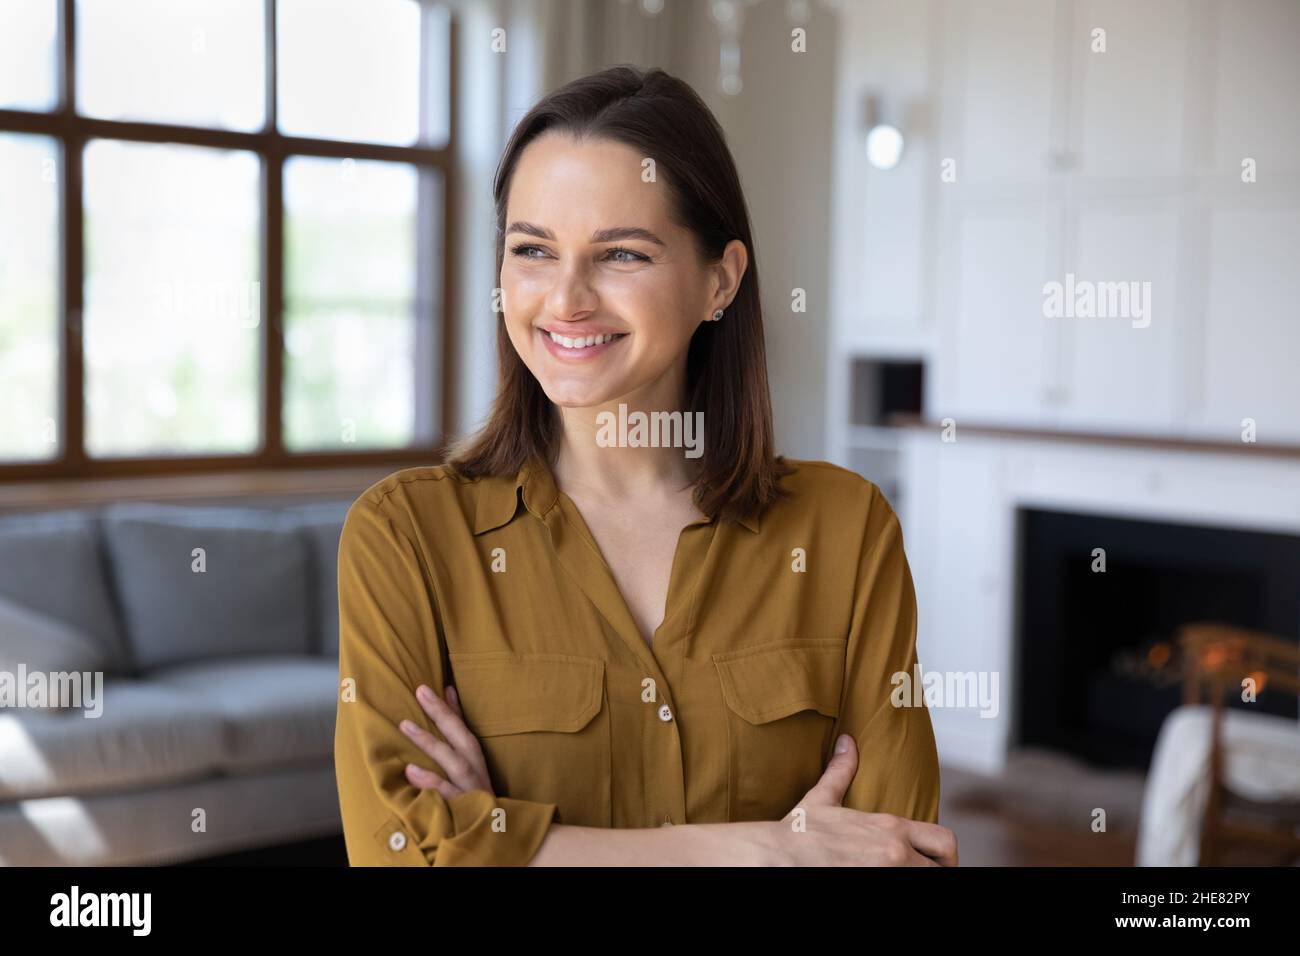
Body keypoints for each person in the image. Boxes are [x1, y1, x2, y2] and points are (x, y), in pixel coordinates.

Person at [333, 65, 956, 867]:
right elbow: (397, 855)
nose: (565, 299)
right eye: (532, 249)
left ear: (719, 282)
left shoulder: (846, 529)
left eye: (620, 254)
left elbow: (897, 854)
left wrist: (506, 843)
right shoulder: (406, 537)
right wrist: (760, 849)